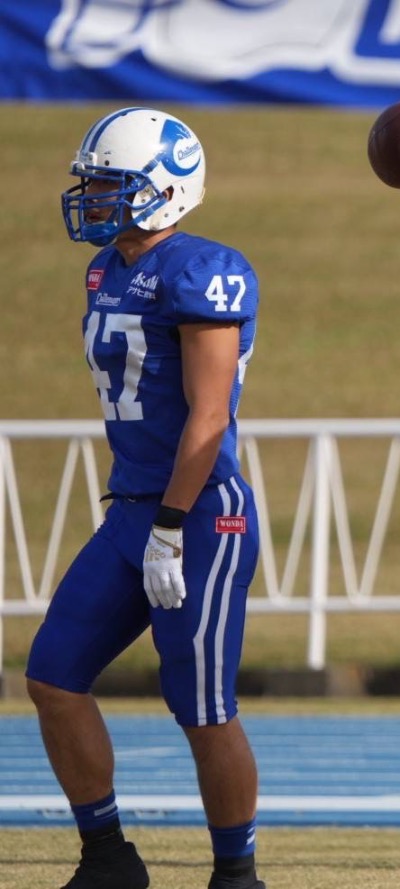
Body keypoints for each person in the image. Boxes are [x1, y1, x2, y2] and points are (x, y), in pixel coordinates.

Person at [26, 107, 265, 889]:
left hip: (198, 515)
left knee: (201, 705)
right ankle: (108, 858)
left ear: (163, 190)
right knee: (54, 676)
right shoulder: (106, 267)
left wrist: (169, 524)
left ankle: (236, 874)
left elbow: (208, 413)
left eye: (110, 184)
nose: (93, 197)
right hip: (131, 507)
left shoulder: (205, 268)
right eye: (90, 182)